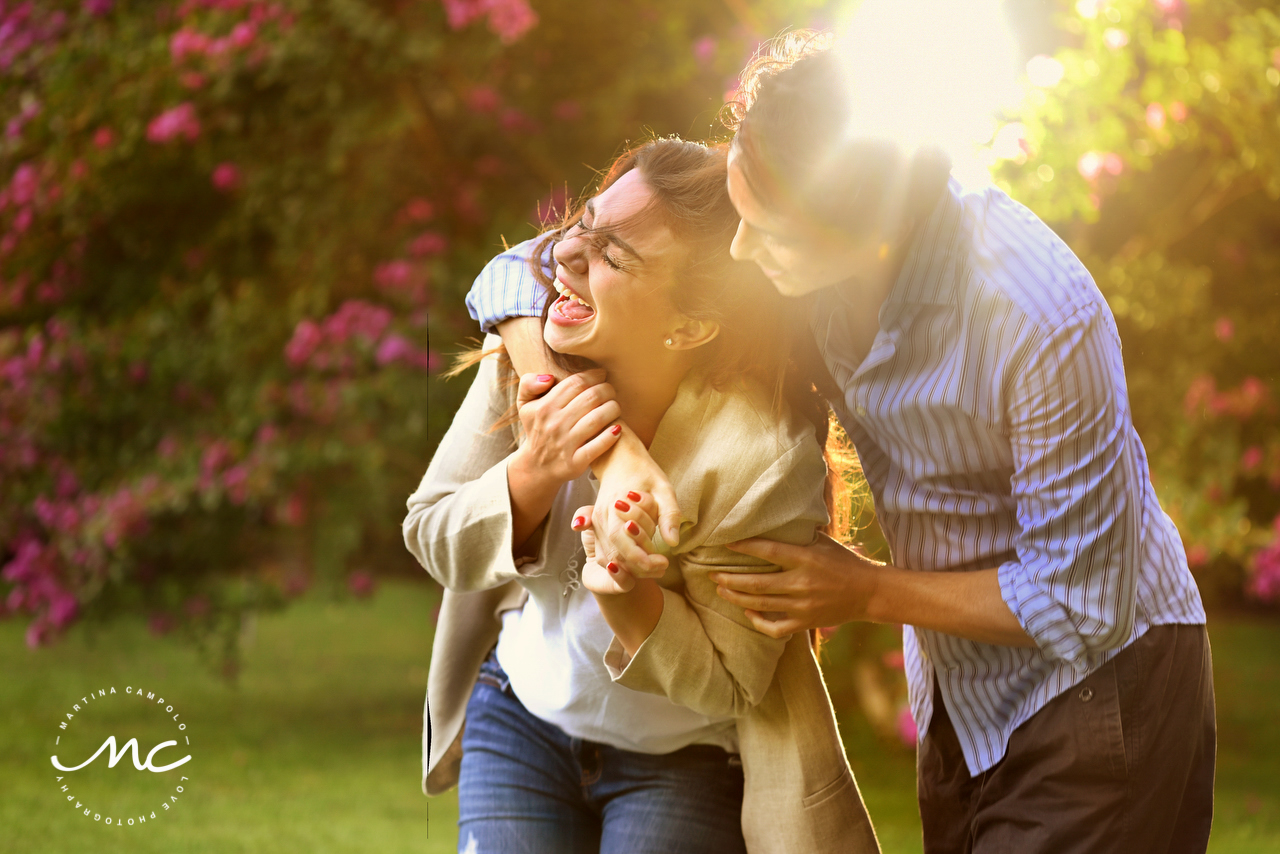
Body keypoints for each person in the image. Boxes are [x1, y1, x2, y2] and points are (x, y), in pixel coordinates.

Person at [470, 33, 1215, 854]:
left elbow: (1083, 599)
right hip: (963, 695)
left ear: (870, 243)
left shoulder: (1039, 316)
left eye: (772, 237)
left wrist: (864, 592)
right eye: (742, 211)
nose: (744, 252)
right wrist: (613, 450)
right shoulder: (790, 195)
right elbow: (512, 278)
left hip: (1102, 693)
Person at [405, 137, 879, 854]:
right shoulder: (527, 358)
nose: (566, 259)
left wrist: (632, 604)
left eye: (613, 258)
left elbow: (728, 685)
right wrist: (535, 469)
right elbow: (435, 539)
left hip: (682, 763)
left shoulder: (758, 460)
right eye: (583, 228)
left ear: (689, 325)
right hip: (519, 718)